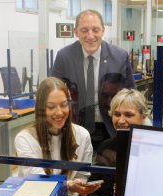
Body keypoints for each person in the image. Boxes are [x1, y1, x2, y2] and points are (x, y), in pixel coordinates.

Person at [51, 9, 135, 147]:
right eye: (84, 30)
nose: (90, 36)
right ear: (76, 32)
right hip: (74, 128)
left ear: (103, 31)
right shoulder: (64, 57)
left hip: (111, 128)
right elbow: (52, 93)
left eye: (95, 30)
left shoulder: (120, 57)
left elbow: (132, 94)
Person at [14, 77, 101, 196]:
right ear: (40, 109)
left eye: (64, 105)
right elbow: (38, 181)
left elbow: (82, 175)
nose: (59, 112)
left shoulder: (82, 135)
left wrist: (79, 184)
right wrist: (69, 185)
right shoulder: (25, 139)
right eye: (51, 107)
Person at [90, 89, 148, 196]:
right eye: (116, 114)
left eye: (128, 114)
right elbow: (93, 190)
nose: (121, 120)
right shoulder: (106, 147)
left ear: (143, 117)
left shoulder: (154, 151)